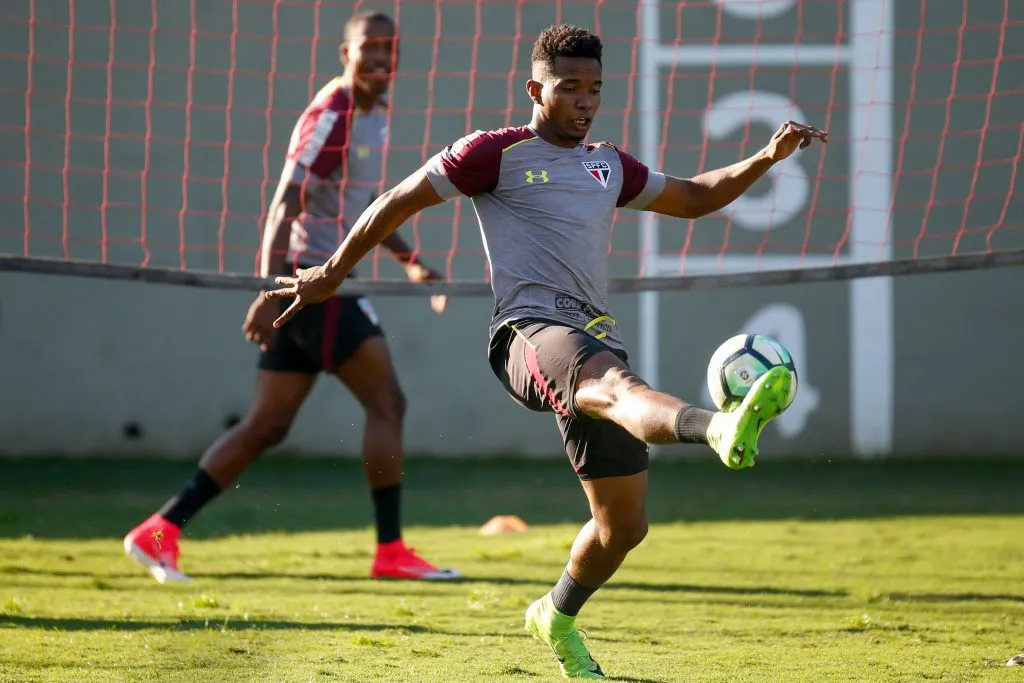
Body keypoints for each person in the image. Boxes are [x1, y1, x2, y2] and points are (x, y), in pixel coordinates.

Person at [264, 23, 826, 680]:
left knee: (623, 526)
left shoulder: (608, 164)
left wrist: (765, 157)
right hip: (528, 334)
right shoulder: (493, 153)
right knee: (618, 386)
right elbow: (393, 202)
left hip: (591, 337)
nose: (585, 100)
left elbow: (696, 198)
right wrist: (332, 270)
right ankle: (719, 425)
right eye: (569, 87)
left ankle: (555, 614)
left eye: (595, 88)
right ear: (536, 88)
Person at [123, 11, 459, 585]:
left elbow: (365, 202)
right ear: (344, 53)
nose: (381, 57)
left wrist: (410, 261)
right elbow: (285, 203)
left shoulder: (373, 112)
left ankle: (159, 532)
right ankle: (391, 551)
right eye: (368, 48)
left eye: (389, 47)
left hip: (322, 280)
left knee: (266, 426)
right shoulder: (334, 114)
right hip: (317, 282)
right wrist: (266, 292)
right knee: (388, 403)